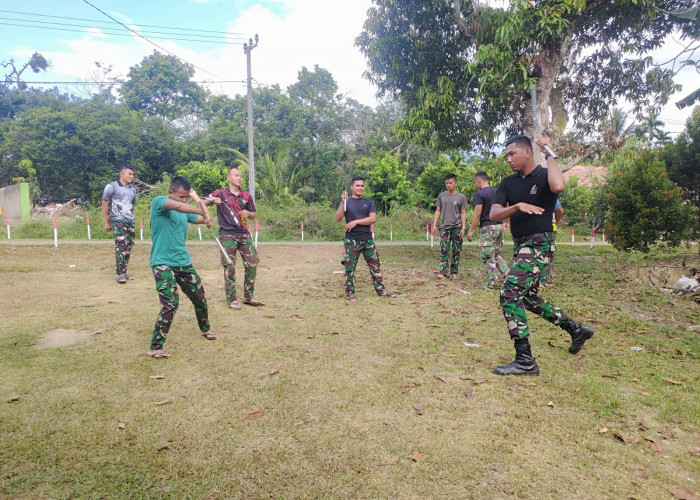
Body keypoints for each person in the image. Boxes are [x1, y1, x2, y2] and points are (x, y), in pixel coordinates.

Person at [489, 135, 594, 376]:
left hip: (540, 243)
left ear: (527, 152)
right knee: (528, 298)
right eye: (506, 155)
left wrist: (547, 151)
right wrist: (516, 207)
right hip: (520, 245)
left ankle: (525, 360)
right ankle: (576, 330)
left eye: (511, 154)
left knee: (510, 292)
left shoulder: (545, 175)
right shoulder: (507, 183)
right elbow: (494, 214)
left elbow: (559, 187)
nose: (508, 159)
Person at [148, 176, 217, 359]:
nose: (183, 200)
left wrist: (197, 201)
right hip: (162, 262)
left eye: (186, 196)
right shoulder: (160, 202)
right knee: (170, 303)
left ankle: (205, 329)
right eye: (181, 196)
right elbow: (178, 207)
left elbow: (203, 219)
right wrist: (199, 205)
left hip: (182, 261)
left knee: (199, 297)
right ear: (170, 193)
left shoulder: (185, 208)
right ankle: (156, 347)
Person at [204, 167, 261, 309]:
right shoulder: (221, 193)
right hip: (227, 234)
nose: (239, 178)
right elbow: (201, 201)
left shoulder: (246, 196)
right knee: (229, 265)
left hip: (244, 234)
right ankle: (232, 299)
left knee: (252, 262)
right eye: (236, 175)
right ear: (228, 177)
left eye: (241, 176)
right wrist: (212, 201)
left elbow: (253, 214)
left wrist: (249, 213)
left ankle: (249, 296)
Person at [335, 176, 395, 301]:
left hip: (368, 240)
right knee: (350, 268)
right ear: (352, 187)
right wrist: (342, 202)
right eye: (357, 185)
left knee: (375, 266)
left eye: (362, 186)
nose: (360, 188)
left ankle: (381, 291)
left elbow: (372, 219)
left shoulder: (369, 202)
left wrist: (356, 222)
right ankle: (350, 293)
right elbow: (338, 218)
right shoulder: (347, 202)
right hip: (352, 240)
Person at [467, 171, 509, 289]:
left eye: (475, 181)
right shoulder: (497, 191)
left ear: (479, 180)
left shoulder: (480, 194)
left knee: (488, 256)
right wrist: (506, 222)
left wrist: (471, 230)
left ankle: (491, 283)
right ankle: (509, 276)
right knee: (496, 254)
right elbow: (505, 206)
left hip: (488, 227)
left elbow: (477, 214)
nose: (475, 184)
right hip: (499, 226)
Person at [102, 166, 136, 283]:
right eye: (129, 174)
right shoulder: (111, 187)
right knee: (121, 246)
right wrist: (107, 222)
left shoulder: (133, 189)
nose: (132, 176)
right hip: (117, 220)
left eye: (133, 174)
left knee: (128, 246)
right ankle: (119, 273)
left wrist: (132, 219)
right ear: (121, 174)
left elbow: (132, 205)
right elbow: (105, 203)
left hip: (129, 220)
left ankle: (124, 271)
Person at [432, 174, 467, 279]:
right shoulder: (441, 196)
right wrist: (434, 225)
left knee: (456, 250)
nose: (448, 185)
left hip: (457, 227)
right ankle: (442, 272)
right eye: (447, 183)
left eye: (450, 183)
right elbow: (438, 210)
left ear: (455, 183)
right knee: (444, 250)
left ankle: (454, 272)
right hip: (444, 227)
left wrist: (463, 228)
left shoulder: (461, 197)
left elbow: (463, 212)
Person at [540, 198, 564, 287]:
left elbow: (560, 211)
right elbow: (560, 211)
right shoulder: (552, 196)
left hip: (547, 229)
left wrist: (554, 222)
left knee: (545, 253)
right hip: (546, 229)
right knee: (547, 253)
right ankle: (546, 279)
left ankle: (544, 280)